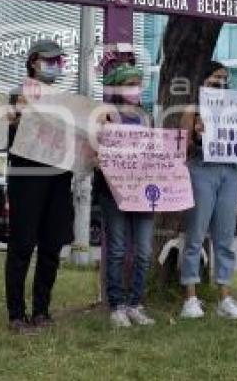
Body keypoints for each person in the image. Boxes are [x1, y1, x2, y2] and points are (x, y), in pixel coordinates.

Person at [4, 40, 75, 334]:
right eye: (49, 59)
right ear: (33, 61)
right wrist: (13, 120)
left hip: (60, 176)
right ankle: (17, 314)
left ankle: (42, 310)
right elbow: (4, 133)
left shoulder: (66, 100)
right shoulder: (16, 94)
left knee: (51, 245)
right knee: (22, 244)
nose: (54, 65)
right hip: (26, 175)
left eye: (59, 60)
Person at [179, 62, 237, 320]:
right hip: (201, 170)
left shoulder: (236, 107)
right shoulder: (192, 109)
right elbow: (182, 147)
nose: (221, 84)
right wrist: (196, 133)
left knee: (225, 239)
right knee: (195, 235)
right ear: (203, 81)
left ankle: (225, 298)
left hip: (230, 171)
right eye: (215, 79)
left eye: (224, 80)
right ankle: (190, 297)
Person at [95, 59, 156, 327]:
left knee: (143, 251)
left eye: (138, 84)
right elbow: (93, 149)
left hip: (143, 191)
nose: (135, 88)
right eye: (129, 84)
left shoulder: (147, 116)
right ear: (116, 88)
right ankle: (116, 305)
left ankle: (135, 303)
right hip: (113, 191)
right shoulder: (103, 114)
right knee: (118, 250)